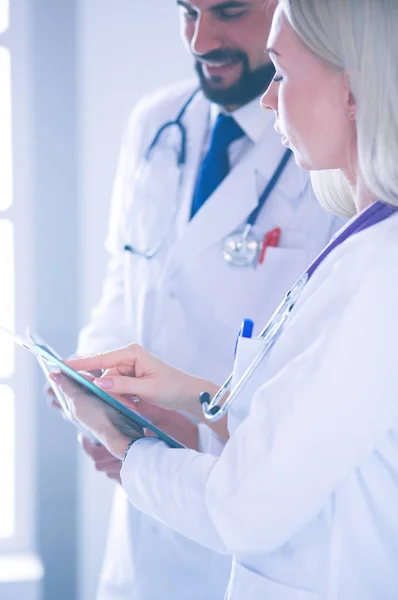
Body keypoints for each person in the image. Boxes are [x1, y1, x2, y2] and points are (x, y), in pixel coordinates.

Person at [57, 0, 398, 598]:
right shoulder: (363, 245)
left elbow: (246, 506)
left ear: (353, 89)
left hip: (254, 534)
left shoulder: (380, 270)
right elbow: (301, 409)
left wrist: (125, 442)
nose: (270, 99)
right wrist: (192, 393)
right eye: (186, 12)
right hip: (183, 518)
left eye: (284, 75)